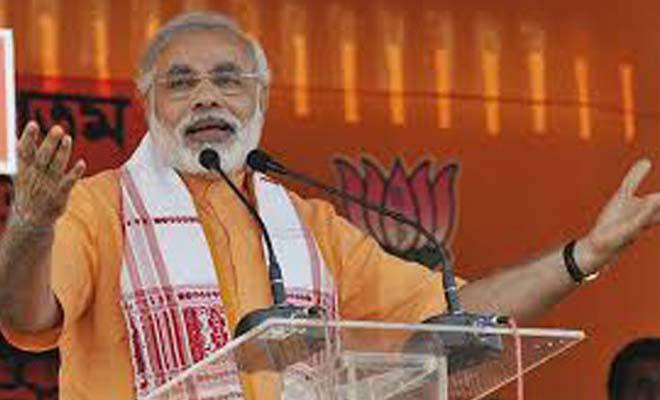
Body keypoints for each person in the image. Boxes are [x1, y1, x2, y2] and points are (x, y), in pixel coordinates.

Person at [0, 11, 659, 400]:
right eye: (180, 82)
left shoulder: (310, 227)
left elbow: (456, 312)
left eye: (228, 80)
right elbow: (24, 316)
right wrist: (30, 225)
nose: (206, 97)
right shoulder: (97, 208)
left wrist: (583, 257)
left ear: (260, 100)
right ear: (149, 105)